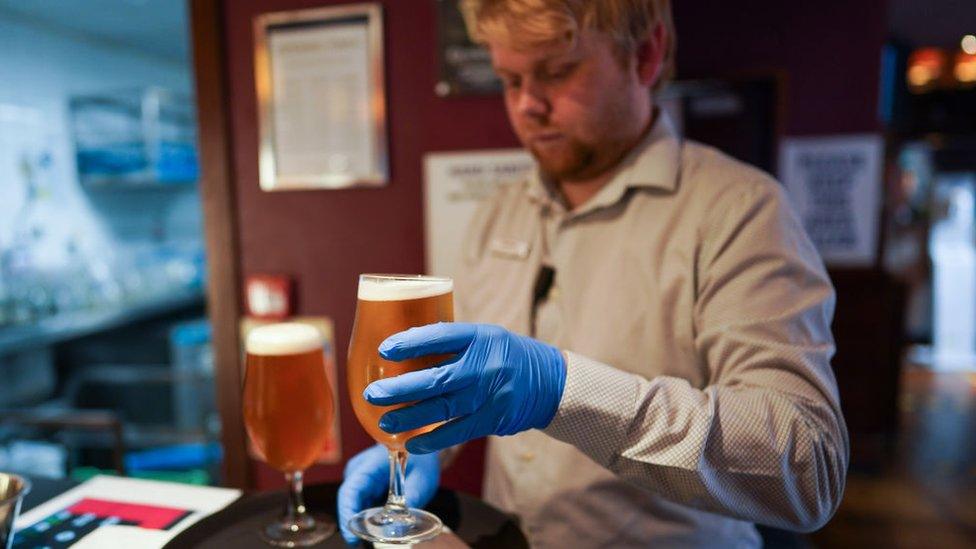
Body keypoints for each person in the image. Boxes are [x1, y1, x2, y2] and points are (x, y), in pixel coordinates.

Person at [338, 0, 849, 546]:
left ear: (646, 55)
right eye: (510, 80)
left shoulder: (740, 210)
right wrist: (428, 443)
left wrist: (564, 392)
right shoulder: (497, 214)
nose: (528, 105)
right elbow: (480, 381)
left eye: (557, 72)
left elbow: (808, 467)